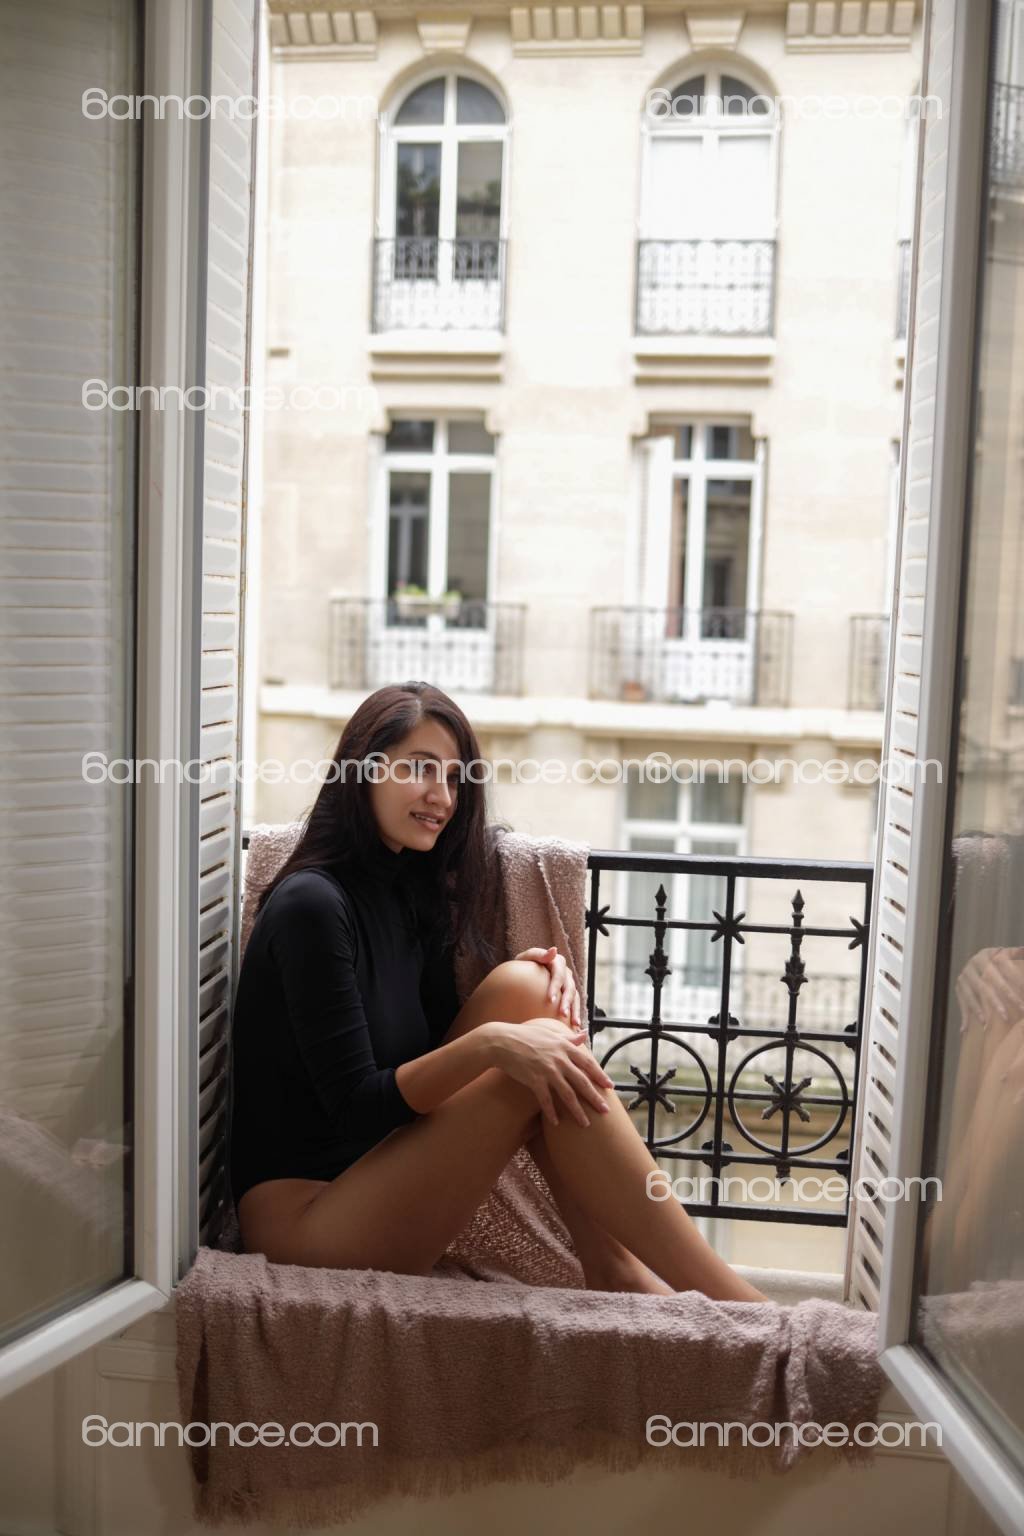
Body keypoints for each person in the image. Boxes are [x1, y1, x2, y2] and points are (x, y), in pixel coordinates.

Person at [229, 680, 767, 1302]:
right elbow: (357, 1106)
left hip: (373, 1174)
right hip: (306, 1228)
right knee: (525, 1065)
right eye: (419, 768)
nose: (442, 797)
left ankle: (612, 1268)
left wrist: (529, 990)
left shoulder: (408, 889)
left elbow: (430, 1052)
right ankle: (737, 1307)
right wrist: (494, 1044)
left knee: (528, 987)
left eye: (454, 778)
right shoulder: (312, 906)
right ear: (364, 771)